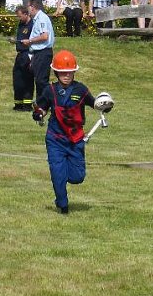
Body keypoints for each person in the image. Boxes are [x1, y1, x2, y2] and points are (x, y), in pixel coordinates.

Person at [32, 50, 111, 214]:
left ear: (74, 72)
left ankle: (64, 173)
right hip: (55, 139)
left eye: (70, 72)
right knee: (57, 174)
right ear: (57, 72)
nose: (66, 76)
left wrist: (105, 105)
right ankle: (62, 204)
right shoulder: (49, 90)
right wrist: (39, 113)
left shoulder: (81, 90)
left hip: (76, 140)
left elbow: (95, 103)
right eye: (63, 73)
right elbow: (42, 108)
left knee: (77, 177)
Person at [22, 0, 55, 99]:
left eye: (28, 7)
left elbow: (44, 36)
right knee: (39, 80)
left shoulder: (41, 18)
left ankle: (53, 100)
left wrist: (30, 41)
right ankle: (41, 103)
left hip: (43, 52)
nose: (27, 9)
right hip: (38, 53)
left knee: (42, 80)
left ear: (32, 7)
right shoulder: (37, 19)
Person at [9, 5, 35, 111]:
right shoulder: (21, 24)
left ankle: (27, 105)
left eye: (20, 16)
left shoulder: (32, 25)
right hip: (20, 54)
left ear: (26, 14)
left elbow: (33, 39)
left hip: (28, 54)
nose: (18, 18)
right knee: (17, 79)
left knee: (27, 79)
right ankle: (18, 104)